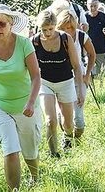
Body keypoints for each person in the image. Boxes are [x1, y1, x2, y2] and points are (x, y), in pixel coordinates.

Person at [0, 4, 42, 190]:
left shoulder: (24, 44)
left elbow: (36, 76)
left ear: (11, 24)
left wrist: (31, 102)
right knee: (10, 150)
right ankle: (15, 189)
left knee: (30, 149)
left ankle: (35, 178)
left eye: (2, 24)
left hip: (26, 104)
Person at [33, 10, 84, 157]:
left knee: (67, 123)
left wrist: (80, 90)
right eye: (44, 30)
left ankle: (67, 137)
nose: (48, 33)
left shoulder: (65, 39)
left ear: (55, 25)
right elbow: (30, 68)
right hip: (45, 83)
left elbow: (76, 66)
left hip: (66, 82)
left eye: (50, 29)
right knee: (50, 120)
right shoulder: (35, 41)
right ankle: (53, 153)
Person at [55, 10, 96, 146]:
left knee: (78, 114)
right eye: (63, 27)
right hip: (60, 80)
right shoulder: (55, 38)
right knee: (61, 114)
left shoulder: (81, 36)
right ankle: (66, 138)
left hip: (79, 79)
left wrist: (87, 74)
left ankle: (77, 142)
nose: (67, 30)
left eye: (70, 27)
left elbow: (92, 54)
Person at [85, 0, 105, 79]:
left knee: (100, 73)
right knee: (88, 71)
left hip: (101, 49)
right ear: (87, 6)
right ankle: (90, 86)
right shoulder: (84, 16)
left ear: (97, 6)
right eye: (91, 6)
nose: (93, 8)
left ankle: (100, 88)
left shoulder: (103, 16)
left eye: (95, 6)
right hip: (88, 49)